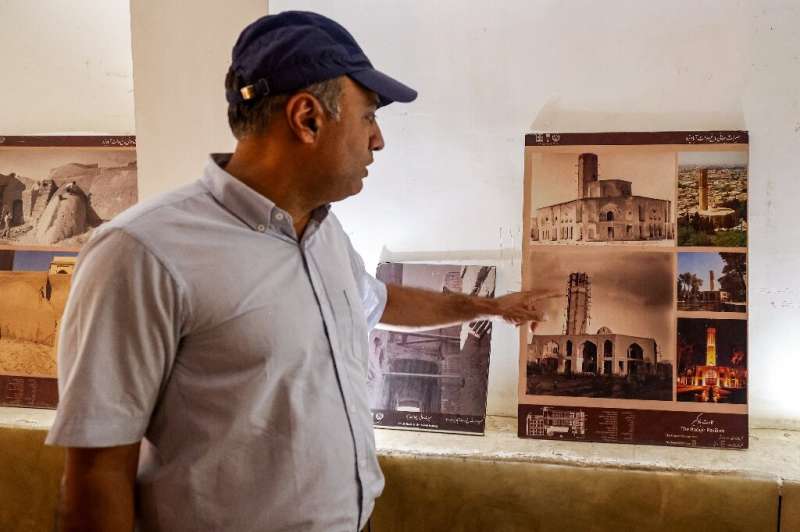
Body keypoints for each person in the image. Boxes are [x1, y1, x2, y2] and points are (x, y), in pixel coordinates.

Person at [46, 11, 540, 532]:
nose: (378, 141)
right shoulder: (141, 254)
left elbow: (378, 302)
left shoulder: (325, 232)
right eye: (369, 116)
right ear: (307, 118)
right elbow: (96, 476)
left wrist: (489, 306)